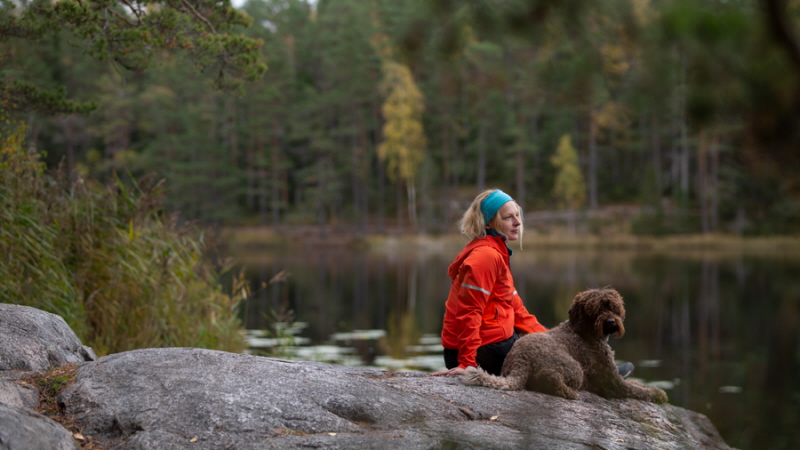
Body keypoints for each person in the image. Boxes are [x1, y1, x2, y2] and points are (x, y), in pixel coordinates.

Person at [430, 189, 635, 379]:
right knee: (550, 356)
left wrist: (552, 337)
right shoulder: (485, 256)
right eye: (508, 217)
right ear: (487, 223)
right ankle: (599, 379)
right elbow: (469, 312)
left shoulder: (496, 253)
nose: (517, 222)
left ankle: (601, 372)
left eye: (518, 215)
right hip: (481, 351)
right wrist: (467, 364)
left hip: (492, 342)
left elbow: (516, 310)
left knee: (553, 340)